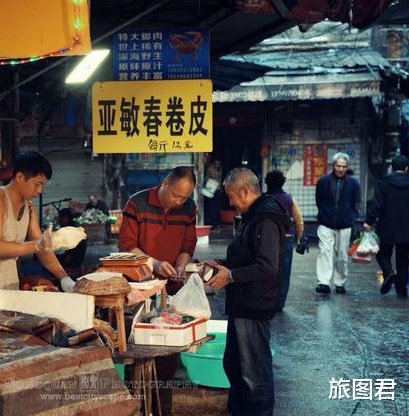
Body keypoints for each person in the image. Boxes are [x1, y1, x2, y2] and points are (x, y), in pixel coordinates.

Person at [204, 168, 289, 416]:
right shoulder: (252, 217)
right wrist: (221, 264)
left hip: (254, 305)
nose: (230, 203)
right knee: (235, 365)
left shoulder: (265, 219)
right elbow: (246, 257)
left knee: (254, 373)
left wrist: (229, 275)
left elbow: (267, 266)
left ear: (244, 191)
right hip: (242, 303)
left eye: (232, 196)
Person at [118, 166, 198, 415]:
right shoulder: (137, 203)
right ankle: (136, 407)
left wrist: (180, 266)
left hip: (171, 288)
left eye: (184, 197)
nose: (178, 201)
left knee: (167, 354)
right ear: (164, 183)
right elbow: (126, 246)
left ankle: (163, 409)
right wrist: (153, 263)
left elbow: (188, 243)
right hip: (139, 288)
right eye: (175, 195)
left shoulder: (188, 209)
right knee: (138, 350)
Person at [0, 152, 76, 308]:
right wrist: (37, 245)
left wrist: (64, 278)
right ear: (21, 177)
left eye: (42, 185)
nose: (40, 190)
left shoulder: (29, 208)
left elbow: (42, 248)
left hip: (9, 292)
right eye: (37, 184)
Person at [314, 152, 361, 295]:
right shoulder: (323, 181)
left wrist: (351, 217)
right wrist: (324, 213)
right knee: (325, 252)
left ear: (347, 167)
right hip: (326, 222)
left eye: (344, 166)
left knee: (342, 255)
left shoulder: (353, 183)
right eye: (338, 166)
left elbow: (356, 202)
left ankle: (340, 282)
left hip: (345, 223)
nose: (341, 169)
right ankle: (323, 282)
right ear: (333, 166)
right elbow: (319, 200)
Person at [364, 155, 409, 298]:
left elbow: (377, 205)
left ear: (392, 168)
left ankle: (388, 272)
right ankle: (401, 290)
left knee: (382, 252)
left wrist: (369, 221)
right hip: (407, 228)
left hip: (387, 226)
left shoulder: (383, 182)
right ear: (407, 168)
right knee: (403, 258)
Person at [265, 170, 305, 310]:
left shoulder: (263, 198)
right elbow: (298, 218)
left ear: (266, 182)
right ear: (283, 182)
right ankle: (280, 303)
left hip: (267, 239)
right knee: (284, 272)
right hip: (286, 238)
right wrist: (300, 235)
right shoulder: (289, 198)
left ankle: (267, 300)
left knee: (267, 270)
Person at [204, 159, 223, 228]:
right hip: (211, 189)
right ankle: (213, 224)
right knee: (212, 207)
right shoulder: (210, 169)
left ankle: (216, 223)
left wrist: (220, 188)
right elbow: (207, 178)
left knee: (217, 207)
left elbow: (220, 179)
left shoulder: (220, 169)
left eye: (219, 164)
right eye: (216, 164)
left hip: (217, 189)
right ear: (213, 163)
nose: (217, 165)